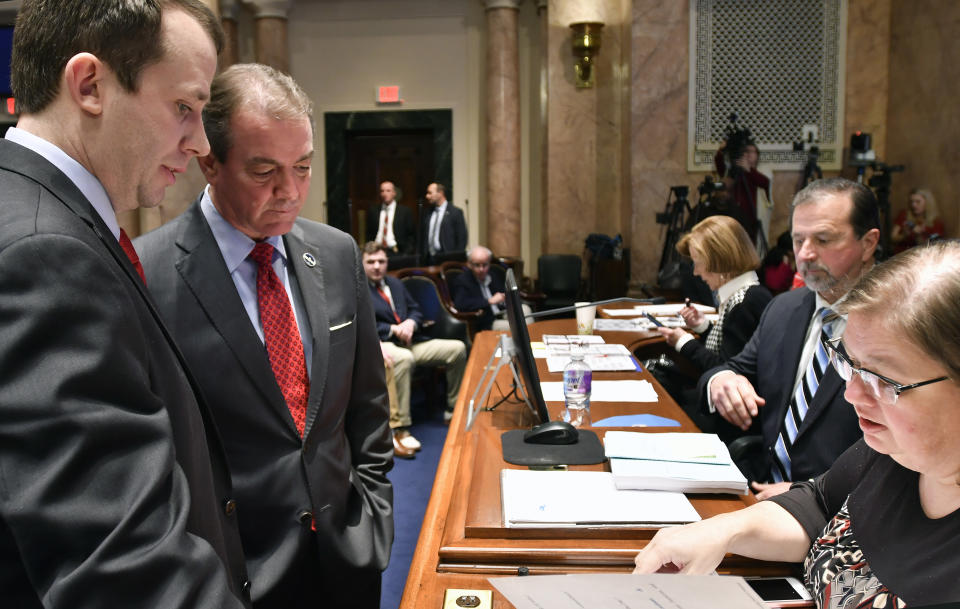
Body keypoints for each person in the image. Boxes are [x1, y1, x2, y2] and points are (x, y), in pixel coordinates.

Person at [0, 1, 251, 607]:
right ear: (90, 85)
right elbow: (121, 565)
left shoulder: (41, 214)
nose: (197, 144)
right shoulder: (46, 252)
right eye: (184, 109)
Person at [135, 64, 393, 609]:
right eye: (264, 172)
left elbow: (368, 408)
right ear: (209, 160)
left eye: (302, 168)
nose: (290, 192)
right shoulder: (147, 273)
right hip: (231, 577)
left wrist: (373, 519)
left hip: (347, 560)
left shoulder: (337, 252)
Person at [635, 240, 960, 606]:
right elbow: (820, 503)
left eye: (882, 379)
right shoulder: (891, 451)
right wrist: (723, 530)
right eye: (848, 364)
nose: (851, 394)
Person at [700, 178, 879, 498]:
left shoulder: (898, 322)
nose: (806, 254)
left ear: (868, 243)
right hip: (757, 485)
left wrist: (813, 492)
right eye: (798, 241)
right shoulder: (783, 307)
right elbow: (732, 367)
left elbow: (908, 455)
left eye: (823, 239)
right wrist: (722, 380)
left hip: (843, 513)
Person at [654, 216, 772, 437]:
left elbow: (728, 370)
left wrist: (684, 343)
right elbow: (733, 347)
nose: (696, 272)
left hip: (734, 424)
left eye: (698, 262)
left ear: (719, 260)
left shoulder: (745, 302)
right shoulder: (743, 295)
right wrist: (703, 327)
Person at [363, 241, 467, 432]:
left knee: (457, 349)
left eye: (381, 261)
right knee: (405, 359)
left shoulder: (395, 283)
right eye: (371, 262)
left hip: (412, 341)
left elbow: (415, 309)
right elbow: (363, 325)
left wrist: (411, 323)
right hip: (385, 344)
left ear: (387, 262)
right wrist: (394, 329)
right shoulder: (359, 290)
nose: (377, 266)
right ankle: (400, 426)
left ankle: (453, 409)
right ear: (362, 264)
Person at [450, 245, 507, 331]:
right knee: (519, 327)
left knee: (525, 309)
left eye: (485, 265)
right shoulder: (462, 280)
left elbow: (503, 294)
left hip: (501, 312)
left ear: (489, 263)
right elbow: (460, 304)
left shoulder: (493, 275)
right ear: (469, 264)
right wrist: (489, 301)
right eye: (477, 265)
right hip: (487, 321)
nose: (481, 269)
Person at [366, 180, 416, 255]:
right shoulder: (373, 211)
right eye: (382, 191)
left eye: (388, 191)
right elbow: (369, 232)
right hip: (377, 251)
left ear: (394, 193)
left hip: (397, 251)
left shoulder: (405, 211)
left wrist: (406, 252)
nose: (385, 193)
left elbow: (411, 235)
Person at [421, 182, 467, 262]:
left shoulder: (455, 212)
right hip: (429, 259)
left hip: (448, 258)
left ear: (440, 193)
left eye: (430, 193)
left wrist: (456, 258)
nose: (427, 196)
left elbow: (462, 238)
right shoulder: (427, 213)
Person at [890, 187, 944, 254]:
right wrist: (905, 234)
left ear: (927, 203)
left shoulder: (936, 222)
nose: (913, 205)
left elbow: (935, 247)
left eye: (918, 202)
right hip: (901, 255)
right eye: (911, 201)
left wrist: (919, 235)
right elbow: (893, 238)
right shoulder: (904, 215)